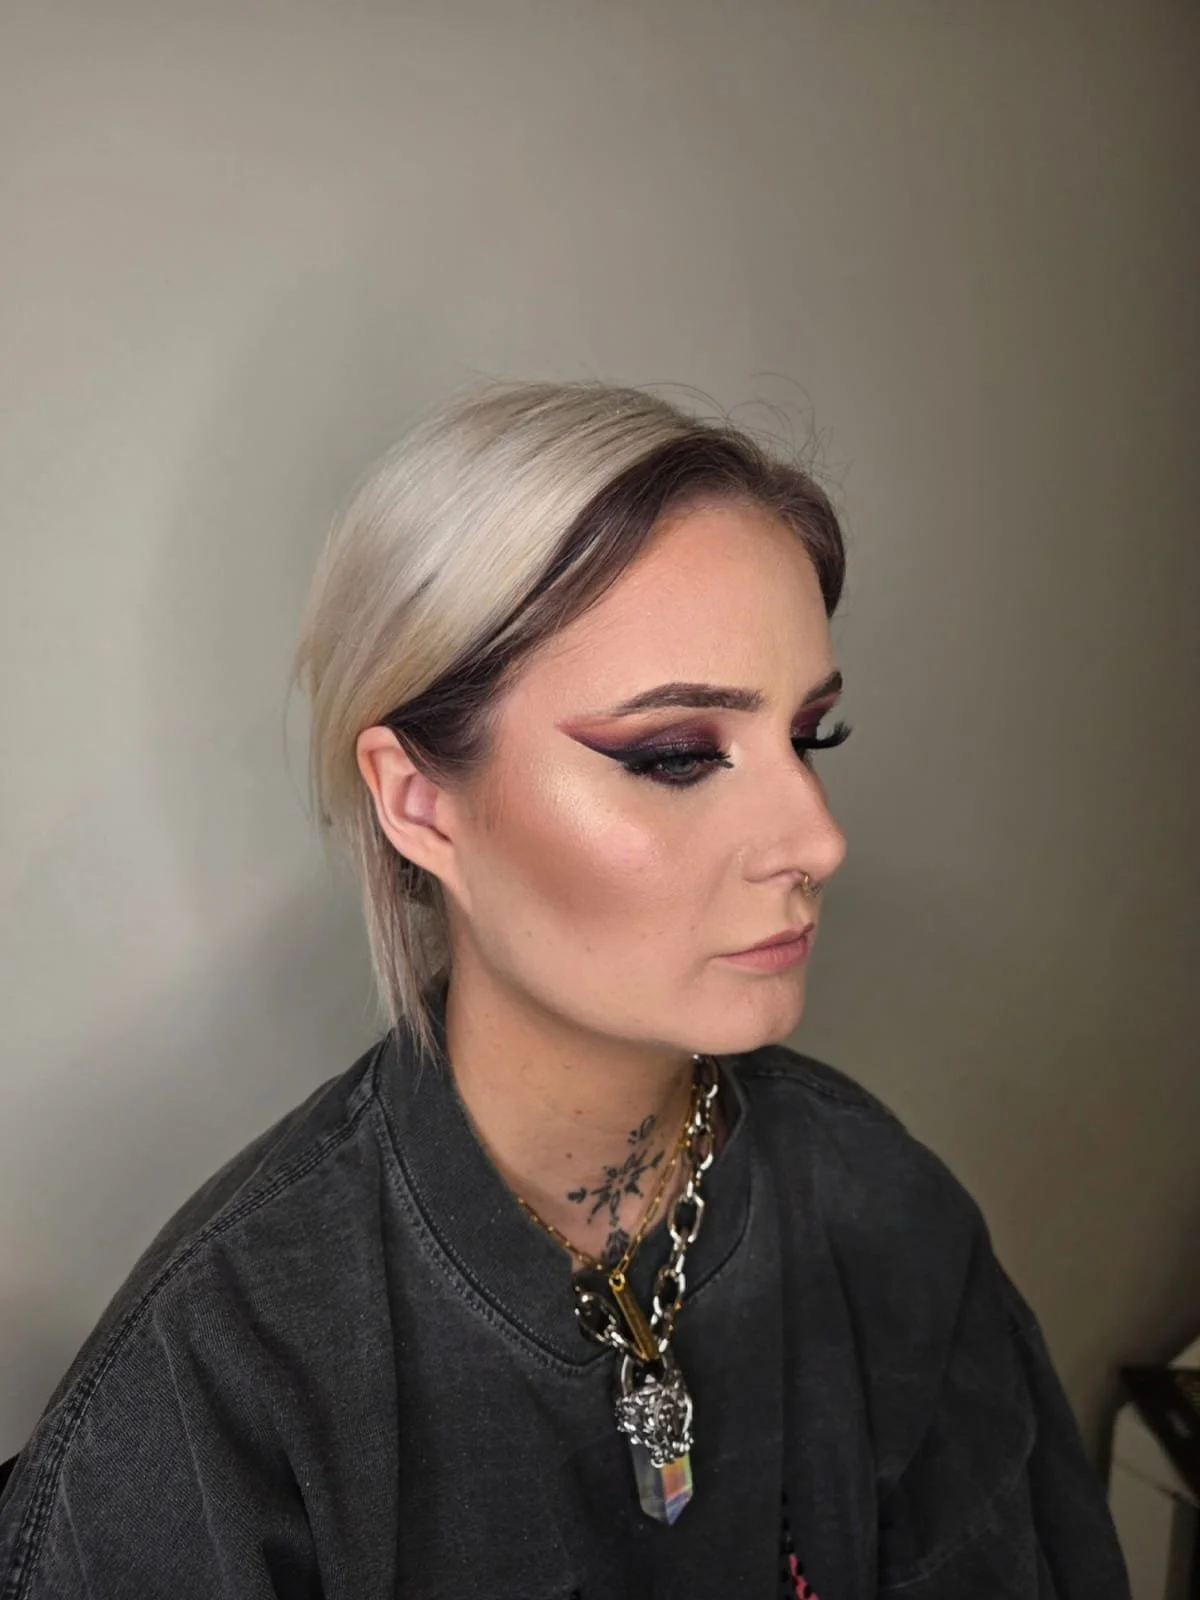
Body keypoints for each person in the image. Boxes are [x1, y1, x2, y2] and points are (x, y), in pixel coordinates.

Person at [0, 381, 1131, 1598]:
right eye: (676, 755)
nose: (816, 836)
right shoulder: (216, 1388)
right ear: (420, 801)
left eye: (812, 738)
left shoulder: (889, 1220)